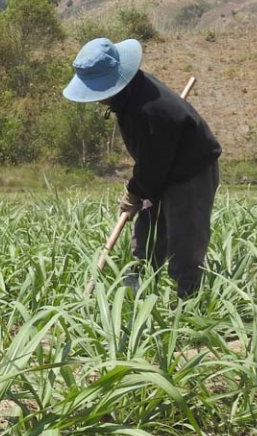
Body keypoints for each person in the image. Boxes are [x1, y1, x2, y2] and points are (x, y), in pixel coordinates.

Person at [63, 37, 221, 296]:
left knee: (185, 242)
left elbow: (153, 160)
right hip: (161, 167)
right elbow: (153, 157)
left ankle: (187, 306)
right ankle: (136, 298)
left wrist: (134, 191)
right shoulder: (129, 95)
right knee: (146, 238)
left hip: (189, 172)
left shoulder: (149, 108)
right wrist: (140, 190)